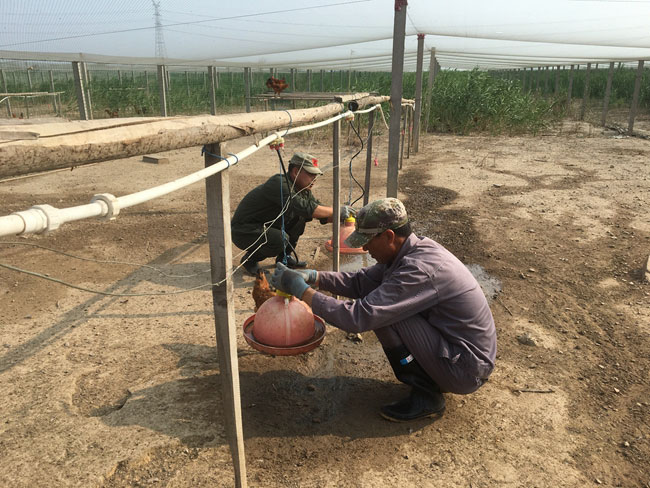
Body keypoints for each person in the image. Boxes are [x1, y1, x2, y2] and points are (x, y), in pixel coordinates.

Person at [271, 197, 497, 422]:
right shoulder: (411, 250)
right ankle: (430, 379)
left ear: (389, 236)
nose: (365, 248)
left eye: (368, 241)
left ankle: (428, 396)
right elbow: (361, 282)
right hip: (457, 353)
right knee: (381, 302)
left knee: (383, 314)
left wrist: (303, 292)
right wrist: (314, 277)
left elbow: (358, 317)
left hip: (465, 369)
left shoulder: (419, 269)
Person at [231, 152, 354, 275]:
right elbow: (305, 207)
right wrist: (338, 210)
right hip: (244, 231)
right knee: (280, 239)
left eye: (315, 175)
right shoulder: (279, 183)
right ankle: (250, 260)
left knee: (300, 218)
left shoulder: (302, 189)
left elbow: (318, 211)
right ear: (295, 172)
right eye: (311, 174)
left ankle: (285, 258)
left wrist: (345, 217)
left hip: (264, 226)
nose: (314, 179)